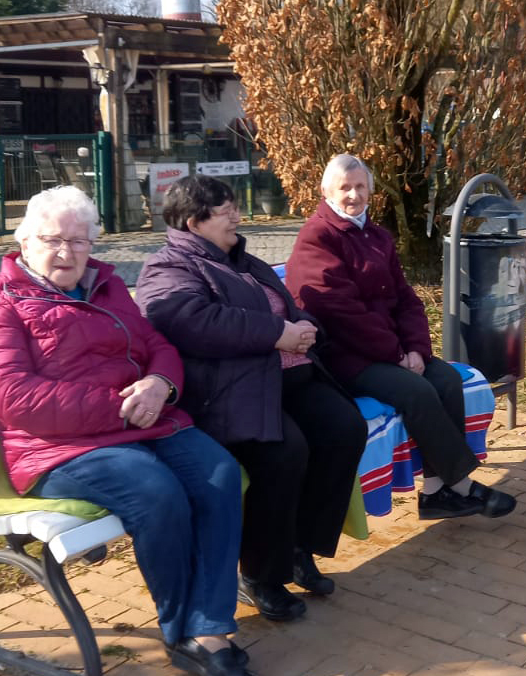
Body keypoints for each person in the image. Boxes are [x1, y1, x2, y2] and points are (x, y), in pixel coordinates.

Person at [0, 186, 255, 676]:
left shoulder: (107, 285)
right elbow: (10, 394)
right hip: (57, 449)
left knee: (219, 473)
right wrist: (122, 409)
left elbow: (157, 345)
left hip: (143, 422)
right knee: (155, 491)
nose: (66, 253)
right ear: (24, 242)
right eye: (53, 240)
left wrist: (160, 384)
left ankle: (208, 628)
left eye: (79, 241)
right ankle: (182, 631)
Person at [136, 175, 367, 623]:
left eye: (233, 209)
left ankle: (301, 548)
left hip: (284, 378)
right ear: (193, 221)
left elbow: (284, 303)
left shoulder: (242, 259)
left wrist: (302, 326)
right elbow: (187, 319)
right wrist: (278, 334)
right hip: (227, 391)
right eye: (225, 212)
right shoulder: (168, 268)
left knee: (345, 427)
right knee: (284, 453)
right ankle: (260, 575)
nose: (237, 218)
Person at [285, 153, 517, 521]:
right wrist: (395, 354)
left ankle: (436, 491)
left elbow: (406, 300)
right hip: (344, 357)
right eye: (345, 188)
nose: (353, 195)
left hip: (390, 351)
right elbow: (339, 313)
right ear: (326, 191)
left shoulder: (376, 236)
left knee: (446, 380)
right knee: (417, 391)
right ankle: (460, 486)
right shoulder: (317, 239)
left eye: (360, 187)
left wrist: (416, 350)